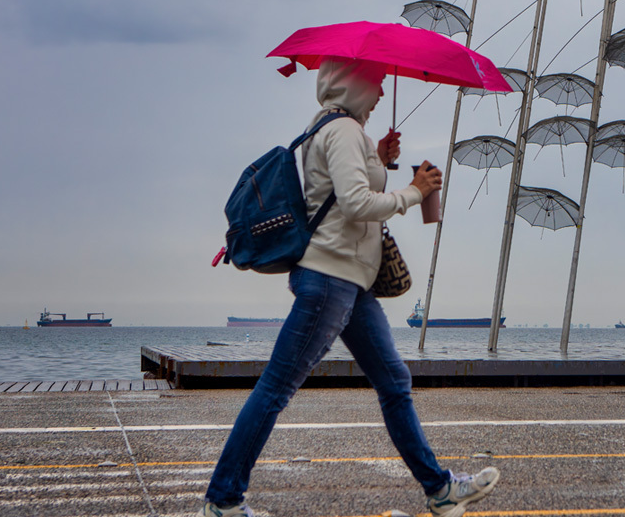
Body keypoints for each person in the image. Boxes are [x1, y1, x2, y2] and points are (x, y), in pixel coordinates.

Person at [201, 59, 499, 517]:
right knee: (276, 389)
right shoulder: (341, 131)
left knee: (394, 381)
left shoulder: (337, 130)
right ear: (354, 84)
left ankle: (439, 490)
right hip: (329, 279)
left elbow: (337, 193)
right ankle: (222, 500)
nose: (381, 92)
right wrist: (415, 192)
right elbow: (357, 203)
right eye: (376, 82)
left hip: (350, 282)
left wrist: (377, 156)